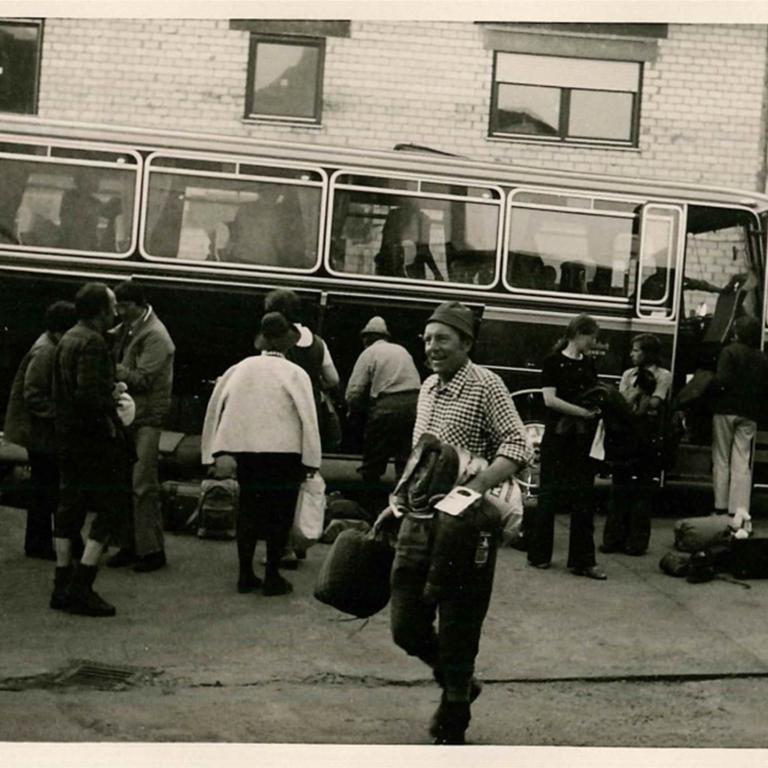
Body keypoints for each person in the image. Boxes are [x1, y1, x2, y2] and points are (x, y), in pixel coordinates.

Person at [378, 300, 531, 745]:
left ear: (466, 342)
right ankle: (458, 682)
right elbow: (418, 459)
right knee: (406, 625)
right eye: (427, 340)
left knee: (460, 620)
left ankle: (455, 711)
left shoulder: (487, 386)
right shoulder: (426, 387)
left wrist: (474, 489)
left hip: (466, 527)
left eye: (442, 339)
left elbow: (519, 447)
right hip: (419, 522)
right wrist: (398, 501)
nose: (432, 347)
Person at [201, 311, 321, 597]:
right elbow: (308, 417)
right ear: (287, 342)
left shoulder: (239, 368)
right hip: (285, 454)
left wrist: (213, 450)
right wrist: (312, 460)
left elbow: (216, 407)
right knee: (279, 516)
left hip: (248, 453)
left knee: (249, 513)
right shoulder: (295, 373)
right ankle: (272, 577)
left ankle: (245, 574)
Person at [50, 282, 134, 617]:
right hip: (93, 441)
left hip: (68, 436)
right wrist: (112, 397)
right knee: (110, 509)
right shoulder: (93, 342)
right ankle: (82, 585)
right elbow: (89, 396)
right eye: (112, 306)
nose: (115, 311)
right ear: (100, 310)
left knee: (68, 507)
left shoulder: (68, 336)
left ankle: (62, 582)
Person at [526, 314, 606, 579]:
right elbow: (549, 400)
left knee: (583, 497)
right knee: (549, 494)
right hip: (560, 437)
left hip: (578, 438)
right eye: (592, 337)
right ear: (579, 335)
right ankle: (542, 555)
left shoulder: (589, 363)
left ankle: (580, 561)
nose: (594, 343)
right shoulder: (553, 361)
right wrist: (582, 413)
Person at [105, 280, 175, 573]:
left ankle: (152, 551)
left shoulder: (156, 336)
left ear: (138, 304)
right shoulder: (133, 326)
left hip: (146, 417)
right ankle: (130, 545)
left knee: (142, 484)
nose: (118, 311)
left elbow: (144, 378)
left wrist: (109, 365)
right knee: (126, 481)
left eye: (124, 306)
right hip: (131, 414)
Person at [3, 301, 76, 559]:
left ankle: (39, 543)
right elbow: (33, 394)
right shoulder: (46, 351)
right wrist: (60, 415)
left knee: (44, 487)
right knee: (46, 488)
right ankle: (38, 545)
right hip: (40, 433)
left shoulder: (48, 344)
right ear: (61, 329)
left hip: (39, 431)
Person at [601, 334, 672, 556]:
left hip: (646, 435)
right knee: (620, 486)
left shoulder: (663, 375)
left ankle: (636, 542)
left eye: (636, 350)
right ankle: (613, 539)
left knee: (641, 489)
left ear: (647, 353)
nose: (632, 354)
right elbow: (625, 403)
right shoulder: (628, 374)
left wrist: (635, 396)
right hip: (628, 433)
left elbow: (654, 403)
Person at [345, 316, 421, 492]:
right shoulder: (402, 350)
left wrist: (352, 412)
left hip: (387, 405)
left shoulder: (369, 353)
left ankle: (369, 500)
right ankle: (400, 500)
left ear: (367, 338)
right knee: (405, 458)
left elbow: (354, 390)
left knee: (374, 456)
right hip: (414, 405)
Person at [710, 316, 768, 516]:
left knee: (721, 459)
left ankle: (720, 507)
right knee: (742, 460)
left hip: (725, 410)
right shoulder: (762, 357)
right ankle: (739, 510)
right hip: (749, 412)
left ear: (737, 333)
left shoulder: (729, 352)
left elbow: (722, 381)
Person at [375, 198, 444, 280]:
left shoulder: (423, 219)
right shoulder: (394, 216)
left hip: (413, 271)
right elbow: (385, 244)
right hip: (392, 268)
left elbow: (424, 249)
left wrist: (436, 273)